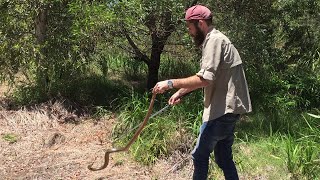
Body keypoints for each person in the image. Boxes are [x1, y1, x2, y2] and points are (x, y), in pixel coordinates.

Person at [152, 4, 252, 180]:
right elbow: (206, 76)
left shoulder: (214, 40)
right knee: (223, 158)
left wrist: (170, 83)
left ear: (200, 24)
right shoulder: (218, 39)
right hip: (230, 111)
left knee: (199, 155)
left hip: (221, 112)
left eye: (190, 28)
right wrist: (180, 92)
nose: (190, 32)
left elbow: (205, 79)